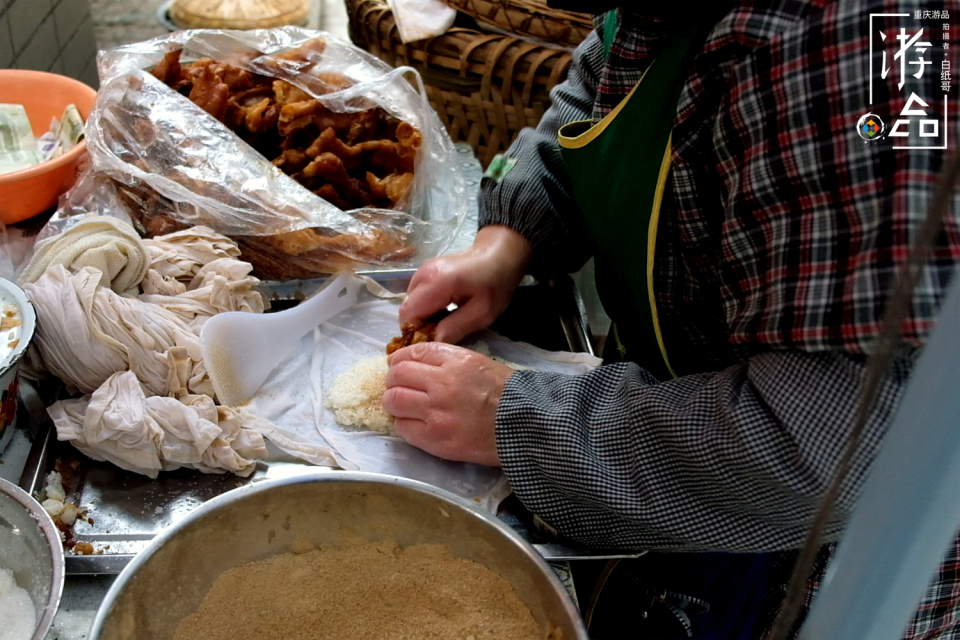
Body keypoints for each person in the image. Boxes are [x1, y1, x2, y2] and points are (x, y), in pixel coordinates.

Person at [382, 1, 960, 638]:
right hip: (664, 419)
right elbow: (598, 85)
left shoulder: (855, 53)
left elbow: (828, 445)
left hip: (795, 558)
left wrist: (513, 418)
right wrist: (507, 240)